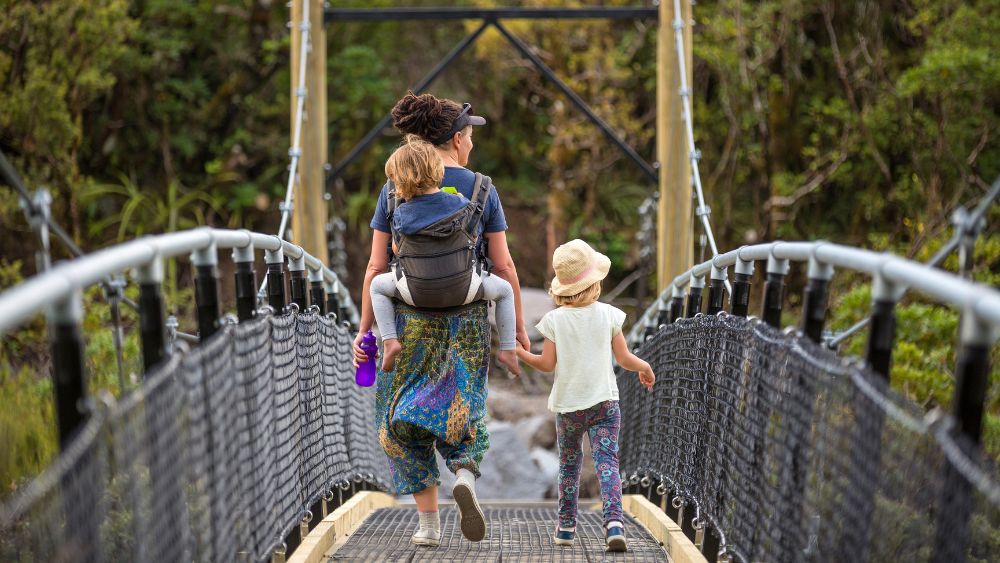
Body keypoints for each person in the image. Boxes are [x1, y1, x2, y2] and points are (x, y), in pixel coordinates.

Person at [353, 92, 530, 547]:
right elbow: (505, 267)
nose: (471, 145)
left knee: (401, 418)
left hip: (408, 319)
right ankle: (466, 474)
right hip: (468, 317)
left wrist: (367, 328)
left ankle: (428, 525)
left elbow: (375, 268)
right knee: (464, 406)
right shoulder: (482, 189)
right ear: (456, 139)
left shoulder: (395, 189)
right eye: (470, 137)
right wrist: (517, 330)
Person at [516, 239, 656, 552]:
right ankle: (615, 523)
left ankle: (566, 527)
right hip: (605, 404)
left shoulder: (554, 321)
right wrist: (644, 366)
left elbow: (546, 364)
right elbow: (623, 358)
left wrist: (521, 353)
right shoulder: (609, 315)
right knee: (607, 462)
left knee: (569, 466)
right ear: (595, 282)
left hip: (569, 408)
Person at [368, 135, 520, 376]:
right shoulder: (463, 205)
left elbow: (397, 251)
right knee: (505, 291)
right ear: (437, 170)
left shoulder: (400, 214)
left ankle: (389, 341)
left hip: (415, 294)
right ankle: (508, 349)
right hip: (465, 291)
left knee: (377, 286)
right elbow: (477, 243)